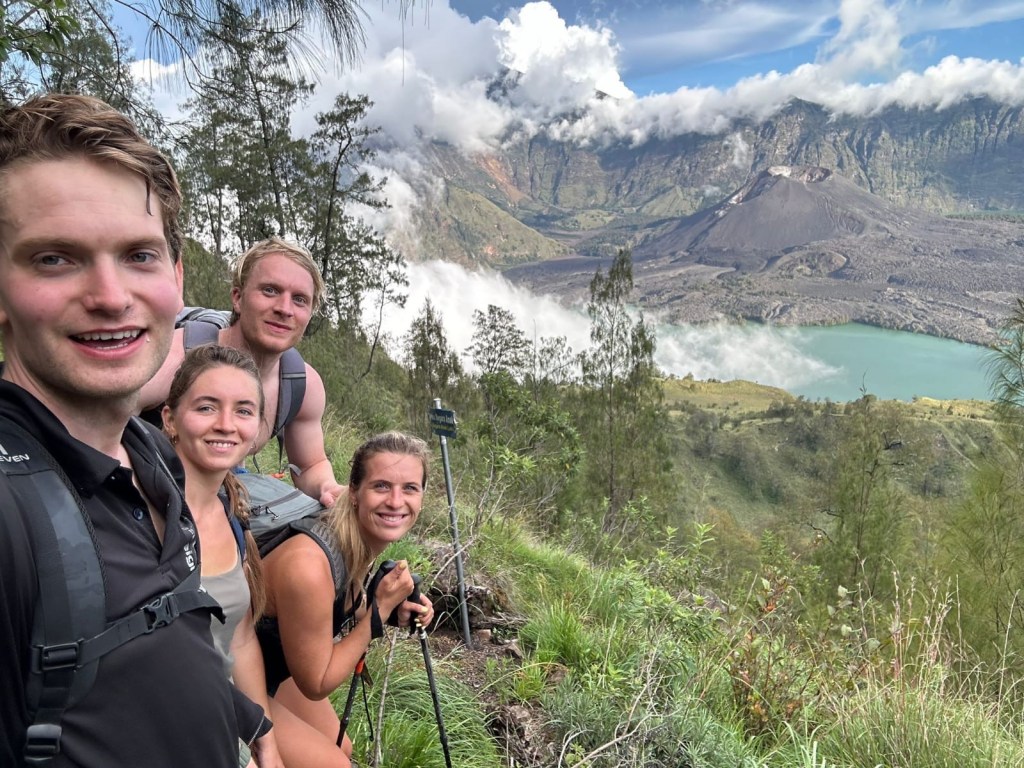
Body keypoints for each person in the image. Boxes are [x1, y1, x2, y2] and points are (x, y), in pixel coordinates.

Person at [0, 93, 266, 766]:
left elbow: (157, 641)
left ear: (176, 277)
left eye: (140, 255)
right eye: (54, 258)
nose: (112, 295)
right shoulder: (11, 519)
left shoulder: (148, 453)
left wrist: (248, 721)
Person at [257, 432, 436, 767]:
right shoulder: (310, 565)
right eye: (381, 486)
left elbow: (336, 610)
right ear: (354, 492)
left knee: (343, 749)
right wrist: (378, 613)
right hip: (224, 670)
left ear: (422, 497)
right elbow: (316, 683)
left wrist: (392, 611)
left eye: (410, 488)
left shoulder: (351, 541)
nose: (396, 501)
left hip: (266, 666)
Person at [140, 237, 345, 508]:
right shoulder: (177, 356)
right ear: (237, 298)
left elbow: (310, 465)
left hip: (223, 491)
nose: (284, 309)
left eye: (299, 300)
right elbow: (102, 419)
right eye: (270, 291)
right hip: (145, 489)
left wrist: (328, 488)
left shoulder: (300, 385)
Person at [162, 344, 283, 768]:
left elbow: (242, 639)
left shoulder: (232, 513)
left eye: (244, 411)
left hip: (226, 717)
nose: (226, 425)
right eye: (207, 407)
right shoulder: (145, 518)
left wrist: (264, 741)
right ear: (170, 419)